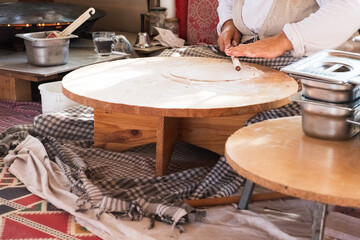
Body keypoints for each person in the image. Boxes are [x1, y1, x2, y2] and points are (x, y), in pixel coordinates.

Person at [217, 0, 360, 59]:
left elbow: (350, 8)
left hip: (307, 61)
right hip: (248, 52)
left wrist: (284, 40)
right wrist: (228, 22)